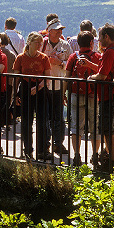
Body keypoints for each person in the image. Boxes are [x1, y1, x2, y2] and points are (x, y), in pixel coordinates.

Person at [63, 31, 101, 166]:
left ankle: (77, 156)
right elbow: (102, 72)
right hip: (92, 94)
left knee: (76, 127)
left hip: (75, 93)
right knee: (94, 126)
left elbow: (67, 77)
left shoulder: (74, 57)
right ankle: (95, 155)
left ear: (78, 43)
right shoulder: (97, 56)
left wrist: (63, 94)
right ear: (91, 42)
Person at [88, 23, 114, 171]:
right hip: (111, 94)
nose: (98, 39)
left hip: (108, 95)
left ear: (106, 37)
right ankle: (112, 160)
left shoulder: (109, 52)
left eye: (100, 36)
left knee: (108, 130)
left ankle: (112, 162)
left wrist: (91, 77)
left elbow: (102, 75)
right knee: (110, 130)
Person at [13, 31, 52, 160]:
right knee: (26, 121)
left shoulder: (43, 58)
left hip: (40, 90)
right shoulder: (21, 58)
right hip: (25, 89)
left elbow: (48, 77)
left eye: (41, 43)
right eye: (37, 43)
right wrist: (15, 95)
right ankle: (28, 150)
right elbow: (16, 78)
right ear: (29, 43)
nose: (40, 45)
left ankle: (42, 150)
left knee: (42, 121)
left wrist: (39, 87)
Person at [41, 19, 72, 155]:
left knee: (58, 116)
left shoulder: (65, 44)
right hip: (45, 85)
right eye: (57, 29)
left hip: (59, 84)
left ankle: (58, 143)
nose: (60, 32)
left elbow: (71, 63)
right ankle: (46, 144)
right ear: (50, 31)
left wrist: (59, 62)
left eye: (61, 30)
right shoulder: (42, 44)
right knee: (46, 116)